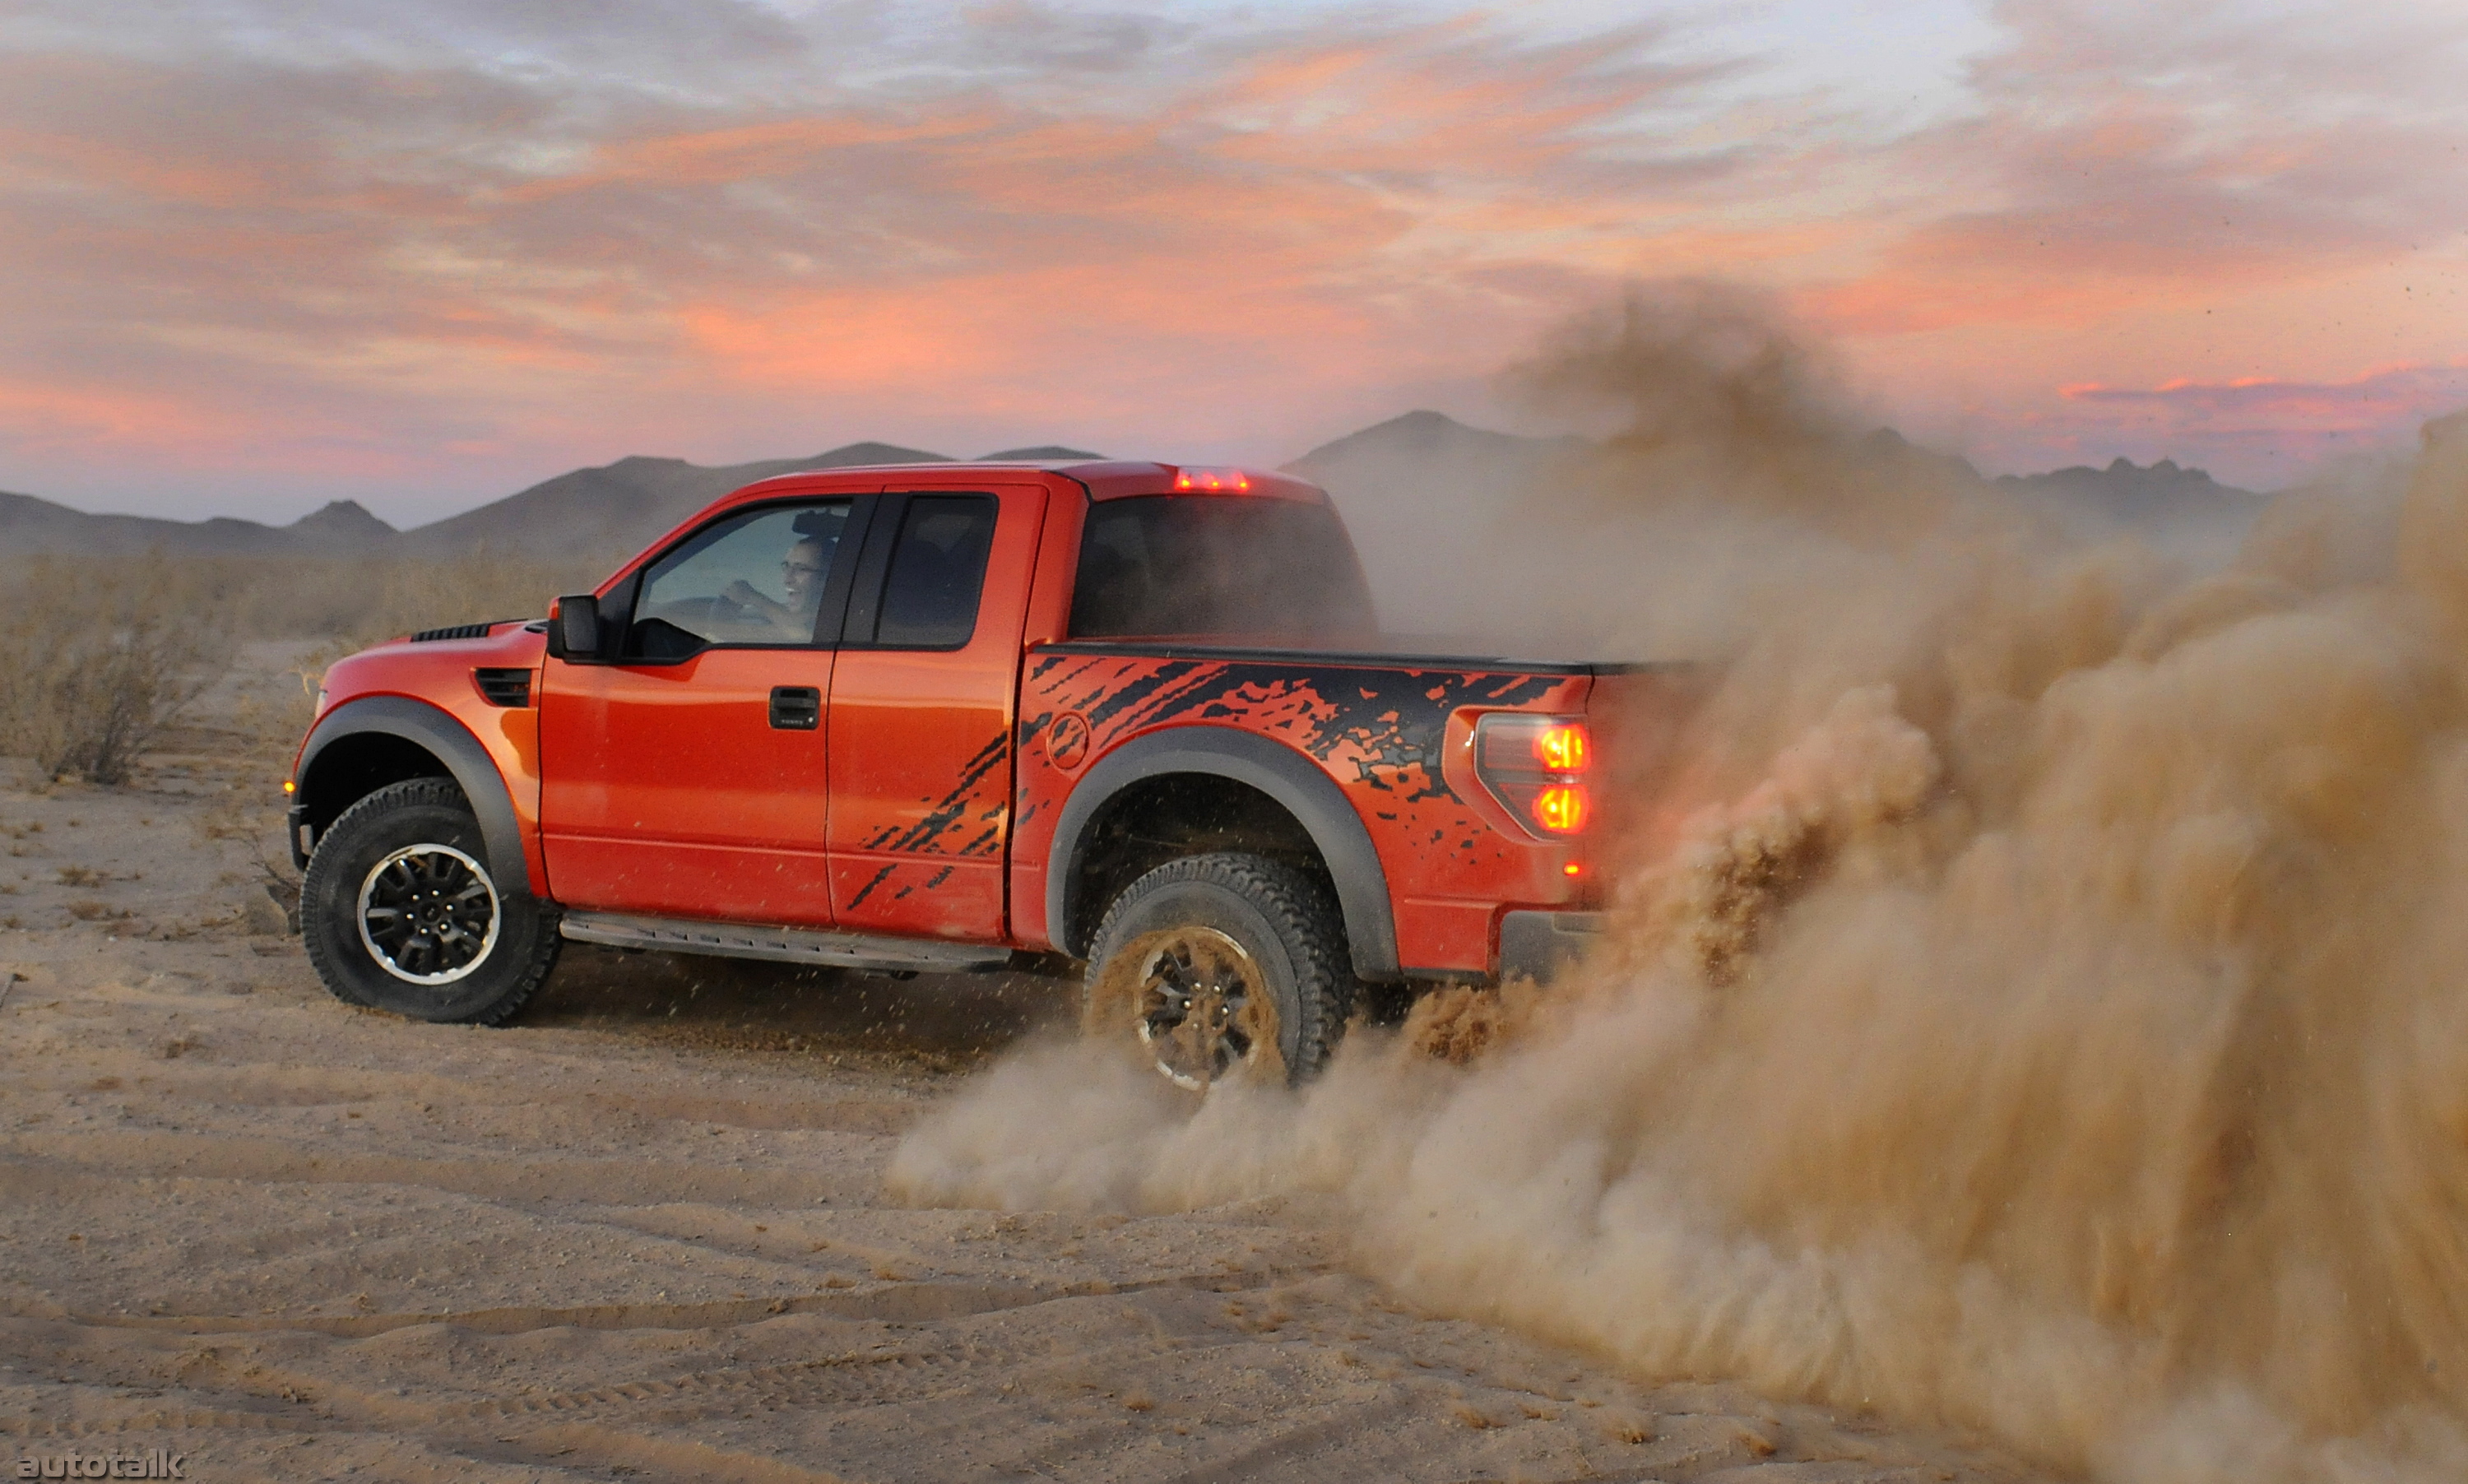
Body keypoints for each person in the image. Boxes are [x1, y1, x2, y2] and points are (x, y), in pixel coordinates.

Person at [724, 534, 830, 638]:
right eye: (786, 566)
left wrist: (753, 598)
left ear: (825, 578)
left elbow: (803, 636)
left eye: (801, 569)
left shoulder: (837, 619)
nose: (787, 579)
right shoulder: (774, 616)